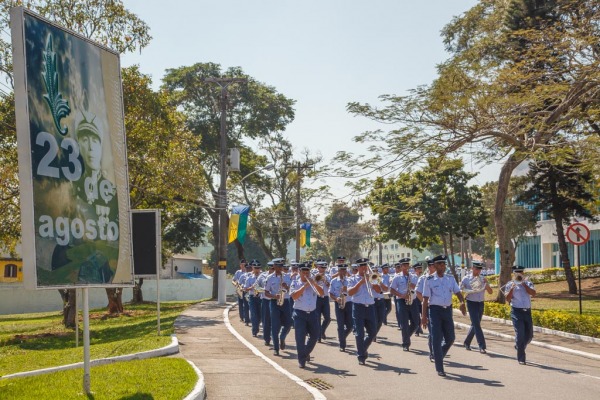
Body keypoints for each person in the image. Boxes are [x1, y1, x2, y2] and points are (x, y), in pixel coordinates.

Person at [421, 255, 467, 377]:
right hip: (435, 311)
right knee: (436, 338)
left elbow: (458, 292)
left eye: (444, 264)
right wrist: (424, 317)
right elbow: (425, 300)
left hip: (447, 311)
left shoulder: (450, 279)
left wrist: (462, 302)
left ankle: (438, 354)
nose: (443, 266)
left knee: (450, 338)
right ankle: (440, 368)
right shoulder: (429, 280)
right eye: (440, 264)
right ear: (435, 266)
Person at [290, 263, 324, 368]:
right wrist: (305, 286)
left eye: (307, 272)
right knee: (300, 338)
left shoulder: (314, 282)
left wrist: (314, 284)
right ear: (299, 272)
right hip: (299, 313)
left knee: (315, 335)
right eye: (303, 272)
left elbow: (322, 293)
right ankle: (302, 360)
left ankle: (304, 353)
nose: (306, 275)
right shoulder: (295, 282)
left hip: (312, 313)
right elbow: (294, 297)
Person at [348, 257, 377, 365]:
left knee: (373, 332)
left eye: (366, 265)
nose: (364, 268)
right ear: (358, 267)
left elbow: (379, 290)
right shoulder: (352, 278)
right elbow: (350, 292)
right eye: (362, 266)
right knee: (359, 333)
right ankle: (361, 356)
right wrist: (361, 282)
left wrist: (373, 281)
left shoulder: (372, 277)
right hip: (358, 307)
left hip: (370, 307)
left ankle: (362, 349)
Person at [506, 265, 536, 365]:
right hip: (516, 311)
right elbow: (507, 299)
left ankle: (519, 346)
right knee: (520, 334)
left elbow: (533, 293)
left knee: (529, 335)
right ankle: (521, 358)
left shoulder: (528, 282)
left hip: (527, 311)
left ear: (523, 273)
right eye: (517, 272)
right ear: (513, 273)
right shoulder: (510, 284)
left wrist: (524, 285)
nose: (519, 274)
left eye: (521, 272)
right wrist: (511, 289)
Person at [461, 263, 493, 353]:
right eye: (476, 269)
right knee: (477, 325)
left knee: (475, 324)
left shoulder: (482, 278)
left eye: (480, 269)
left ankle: (467, 342)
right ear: (472, 268)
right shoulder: (466, 278)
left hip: (480, 303)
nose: (478, 271)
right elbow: (461, 290)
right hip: (471, 303)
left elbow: (490, 292)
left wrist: (486, 284)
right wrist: (464, 298)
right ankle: (482, 346)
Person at [389, 258, 419, 351]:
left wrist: (413, 286)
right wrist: (401, 295)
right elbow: (392, 290)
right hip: (401, 301)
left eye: (407, 265)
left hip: (412, 301)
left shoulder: (413, 276)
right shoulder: (397, 277)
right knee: (404, 323)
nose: (406, 267)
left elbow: (419, 287)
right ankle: (406, 343)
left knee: (416, 322)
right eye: (404, 265)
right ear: (401, 267)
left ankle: (406, 336)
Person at [264, 258, 292, 356]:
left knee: (289, 323)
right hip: (274, 302)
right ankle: (276, 348)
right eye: (278, 266)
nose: (280, 268)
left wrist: (286, 287)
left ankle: (282, 337)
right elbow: (266, 292)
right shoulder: (270, 277)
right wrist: (274, 296)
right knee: (275, 326)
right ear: (274, 267)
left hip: (286, 301)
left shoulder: (287, 276)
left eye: (281, 266)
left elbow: (292, 291)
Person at [329, 263, 353, 351]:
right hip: (338, 303)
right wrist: (336, 298)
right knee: (340, 325)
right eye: (341, 270)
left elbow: (354, 292)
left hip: (349, 303)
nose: (343, 272)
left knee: (350, 325)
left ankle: (342, 337)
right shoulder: (334, 281)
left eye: (344, 270)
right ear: (338, 271)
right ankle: (342, 344)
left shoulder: (350, 280)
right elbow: (330, 293)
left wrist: (347, 290)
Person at [416, 259, 436, 361]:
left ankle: (437, 351)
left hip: (438, 307)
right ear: (429, 267)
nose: (434, 267)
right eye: (432, 266)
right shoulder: (424, 278)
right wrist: (426, 302)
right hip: (428, 307)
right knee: (432, 331)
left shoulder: (440, 278)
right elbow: (418, 293)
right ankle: (432, 352)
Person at [244, 260, 263, 337]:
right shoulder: (249, 278)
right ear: (253, 268)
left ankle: (257, 326)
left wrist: (259, 289)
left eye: (258, 268)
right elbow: (245, 288)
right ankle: (254, 331)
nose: (257, 269)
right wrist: (251, 287)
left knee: (260, 315)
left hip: (260, 297)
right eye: (255, 268)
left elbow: (266, 288)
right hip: (252, 297)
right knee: (253, 314)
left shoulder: (263, 277)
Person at [314, 260, 331, 342]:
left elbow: (330, 286)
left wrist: (325, 281)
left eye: (324, 267)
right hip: (317, 298)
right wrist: (317, 279)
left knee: (327, 318)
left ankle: (322, 330)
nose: (323, 269)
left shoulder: (328, 275)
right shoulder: (313, 274)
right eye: (321, 267)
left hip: (325, 298)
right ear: (318, 267)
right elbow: (312, 285)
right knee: (317, 318)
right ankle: (318, 336)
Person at [259, 262, 274, 346]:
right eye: (272, 268)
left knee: (276, 321)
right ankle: (267, 338)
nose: (273, 270)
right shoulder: (262, 276)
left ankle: (275, 337)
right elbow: (256, 286)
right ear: (269, 268)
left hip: (276, 300)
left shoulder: (281, 276)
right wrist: (264, 290)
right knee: (266, 321)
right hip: (266, 300)